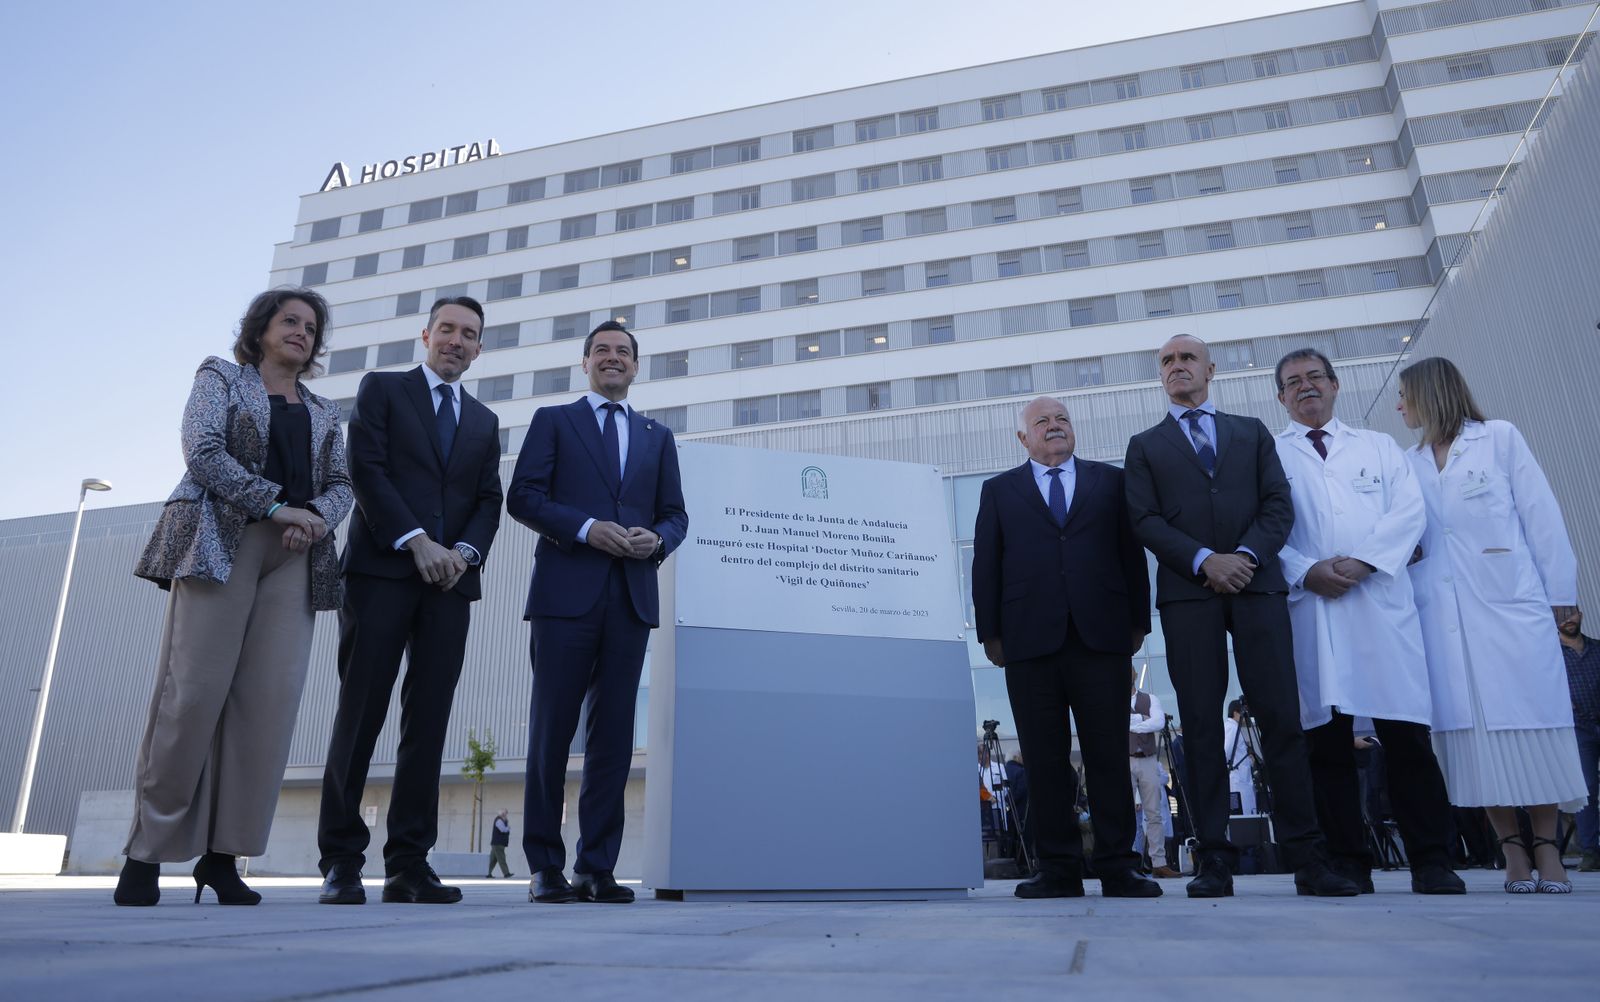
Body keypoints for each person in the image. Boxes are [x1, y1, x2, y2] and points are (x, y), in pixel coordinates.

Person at [119, 287, 352, 907]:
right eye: (289, 320)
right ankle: (146, 852)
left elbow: (341, 484)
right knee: (191, 696)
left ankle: (224, 858)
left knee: (267, 710)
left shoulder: (327, 410)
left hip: (295, 558)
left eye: (311, 326)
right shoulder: (221, 376)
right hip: (222, 545)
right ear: (261, 328)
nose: (301, 332)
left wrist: (316, 520)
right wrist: (278, 506)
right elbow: (202, 453)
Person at [1124, 334, 1356, 898]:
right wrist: (1206, 560)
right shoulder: (1145, 445)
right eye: (1167, 361)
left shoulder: (1250, 432)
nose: (1177, 367)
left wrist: (1246, 558)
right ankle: (1214, 862)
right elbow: (1144, 520)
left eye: (1187, 359)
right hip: (1189, 595)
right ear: (1161, 375)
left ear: (1210, 368)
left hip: (1257, 589)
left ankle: (1308, 857)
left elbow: (1279, 504)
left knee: (1282, 720)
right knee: (1201, 726)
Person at [317, 296, 504, 906]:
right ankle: (342, 860)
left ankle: (408, 864)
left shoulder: (483, 421)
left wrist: (464, 554)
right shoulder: (382, 390)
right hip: (383, 573)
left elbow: (488, 501)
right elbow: (366, 469)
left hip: (451, 584)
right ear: (426, 335)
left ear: (479, 348)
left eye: (469, 334)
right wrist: (417, 541)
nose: (456, 340)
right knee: (361, 712)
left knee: (428, 723)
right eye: (446, 329)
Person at [1272, 348, 1465, 894]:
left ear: (1335, 386)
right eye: (1293, 382)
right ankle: (1347, 861)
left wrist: (1362, 562)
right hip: (1314, 611)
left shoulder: (1379, 447)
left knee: (1406, 739)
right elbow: (1265, 525)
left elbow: (1410, 513)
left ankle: (1431, 859)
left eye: (1315, 377)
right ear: (1281, 397)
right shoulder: (1271, 455)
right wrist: (1305, 570)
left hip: (1380, 605)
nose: (1305, 387)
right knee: (1327, 747)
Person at [508, 320, 687, 905]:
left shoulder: (658, 437)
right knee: (551, 733)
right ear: (585, 363)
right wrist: (587, 529)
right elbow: (525, 496)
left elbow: (676, 515)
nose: (613, 359)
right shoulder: (554, 421)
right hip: (566, 594)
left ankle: (597, 866)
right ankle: (544, 866)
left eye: (624, 353)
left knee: (612, 737)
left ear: (637, 367)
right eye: (602, 351)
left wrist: (655, 539)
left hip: (631, 597)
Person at [1398, 356, 1586, 894]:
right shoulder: (1408, 463)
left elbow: (1540, 514)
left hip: (1510, 606)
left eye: (1405, 395)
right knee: (1474, 736)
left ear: (1430, 394)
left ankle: (1548, 848)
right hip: (1442, 615)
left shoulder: (1499, 439)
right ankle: (1511, 853)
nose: (1399, 406)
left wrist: (1560, 595)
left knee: (1532, 723)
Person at [971, 396, 1161, 899]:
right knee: (1043, 757)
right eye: (1042, 422)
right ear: (1023, 439)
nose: (1054, 427)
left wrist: (1138, 622)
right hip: (1029, 643)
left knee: (1106, 757)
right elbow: (987, 564)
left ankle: (1120, 865)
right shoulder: (999, 491)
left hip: (1102, 638)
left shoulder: (1112, 481)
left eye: (1062, 420)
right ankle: (1057, 868)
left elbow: (1131, 554)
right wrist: (990, 632)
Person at [1558, 610, 1600, 872]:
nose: (1567, 619)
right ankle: (1590, 853)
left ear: (1580, 614)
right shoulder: (1550, 655)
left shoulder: (1597, 648)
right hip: (1578, 728)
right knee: (1587, 789)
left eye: (1570, 613)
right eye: (1561, 616)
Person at [1129, 671, 1179, 877]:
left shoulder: (1151, 698)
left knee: (1154, 813)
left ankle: (1159, 862)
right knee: (1127, 813)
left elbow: (1158, 722)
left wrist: (1134, 724)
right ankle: (1129, 859)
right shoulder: (1113, 700)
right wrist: (1143, 718)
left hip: (1148, 760)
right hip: (1126, 759)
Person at [1221, 700, 1258, 816]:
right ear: (1236, 713)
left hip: (1241, 779)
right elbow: (1226, 751)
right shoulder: (1231, 727)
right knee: (1240, 814)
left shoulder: (1234, 727)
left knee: (1245, 812)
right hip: (1237, 781)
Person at [487, 810, 514, 879]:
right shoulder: (499, 820)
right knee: (502, 858)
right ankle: (506, 873)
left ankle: (487, 873)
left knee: (493, 860)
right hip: (498, 844)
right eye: (505, 814)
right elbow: (503, 829)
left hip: (497, 843)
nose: (506, 815)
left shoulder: (502, 821)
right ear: (502, 814)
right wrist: (508, 828)